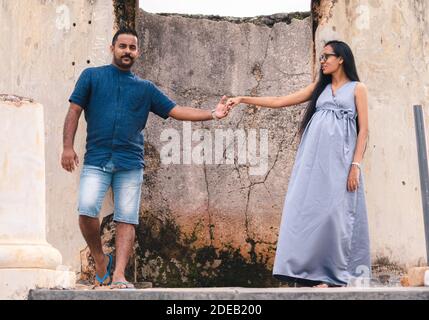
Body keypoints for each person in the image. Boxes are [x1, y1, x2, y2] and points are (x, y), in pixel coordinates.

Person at [61, 28, 230, 289]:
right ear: (112, 48)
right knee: (86, 211)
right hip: (97, 158)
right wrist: (67, 147)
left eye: (132, 47)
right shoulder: (92, 76)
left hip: (130, 162)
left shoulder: (145, 88)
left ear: (137, 52)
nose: (127, 51)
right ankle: (100, 259)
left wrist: (213, 114)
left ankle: (119, 275)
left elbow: (176, 110)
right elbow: (73, 111)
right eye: (122, 46)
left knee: (126, 218)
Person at [226, 40, 370, 288]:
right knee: (309, 213)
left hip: (341, 163)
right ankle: (313, 276)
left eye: (327, 56)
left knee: (336, 216)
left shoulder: (358, 89)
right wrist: (243, 99)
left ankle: (338, 276)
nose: (322, 61)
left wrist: (355, 165)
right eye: (321, 57)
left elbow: (364, 130)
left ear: (342, 59)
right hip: (313, 164)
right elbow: (281, 100)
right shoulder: (319, 88)